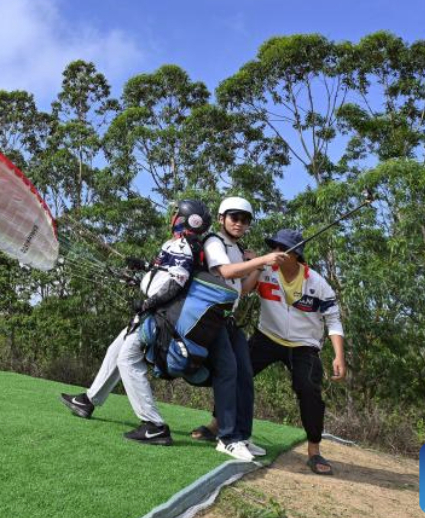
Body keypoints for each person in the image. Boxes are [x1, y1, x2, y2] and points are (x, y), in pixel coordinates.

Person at [59, 199, 211, 446]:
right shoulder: (181, 245)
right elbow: (163, 273)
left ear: (182, 219)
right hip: (156, 311)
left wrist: (148, 304)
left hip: (159, 314)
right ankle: (87, 401)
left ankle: (154, 426)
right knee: (116, 350)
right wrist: (143, 267)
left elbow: (177, 282)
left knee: (128, 358)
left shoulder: (184, 245)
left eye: (175, 214)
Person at [244, 229, 346, 474]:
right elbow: (244, 289)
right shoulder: (265, 269)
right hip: (267, 337)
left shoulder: (317, 283)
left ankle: (314, 451)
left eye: (282, 249)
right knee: (236, 373)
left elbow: (333, 320)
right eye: (274, 247)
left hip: (304, 345)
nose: (276, 253)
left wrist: (339, 356)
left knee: (309, 390)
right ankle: (217, 424)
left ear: (296, 254)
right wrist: (256, 264)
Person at [199, 197, 286, 462]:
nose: (239, 223)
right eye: (234, 217)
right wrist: (259, 259)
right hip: (211, 317)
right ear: (222, 217)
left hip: (229, 319)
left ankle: (243, 436)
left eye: (245, 220)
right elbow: (225, 271)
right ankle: (226, 438)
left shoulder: (238, 249)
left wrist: (259, 266)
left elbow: (244, 289)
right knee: (228, 371)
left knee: (245, 374)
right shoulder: (215, 242)